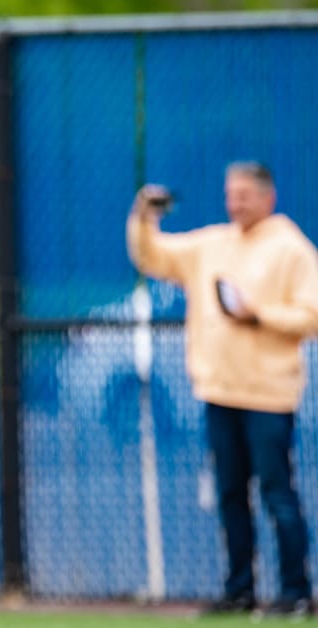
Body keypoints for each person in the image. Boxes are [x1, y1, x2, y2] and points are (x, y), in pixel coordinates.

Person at [127, 162, 317, 619]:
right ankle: (240, 589)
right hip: (219, 391)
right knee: (230, 494)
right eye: (231, 193)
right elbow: (151, 256)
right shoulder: (213, 244)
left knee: (276, 491)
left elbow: (311, 315)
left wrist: (259, 315)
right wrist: (143, 216)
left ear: (268, 198)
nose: (236, 202)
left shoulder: (291, 248)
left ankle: (297, 591)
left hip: (268, 395)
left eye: (246, 194)